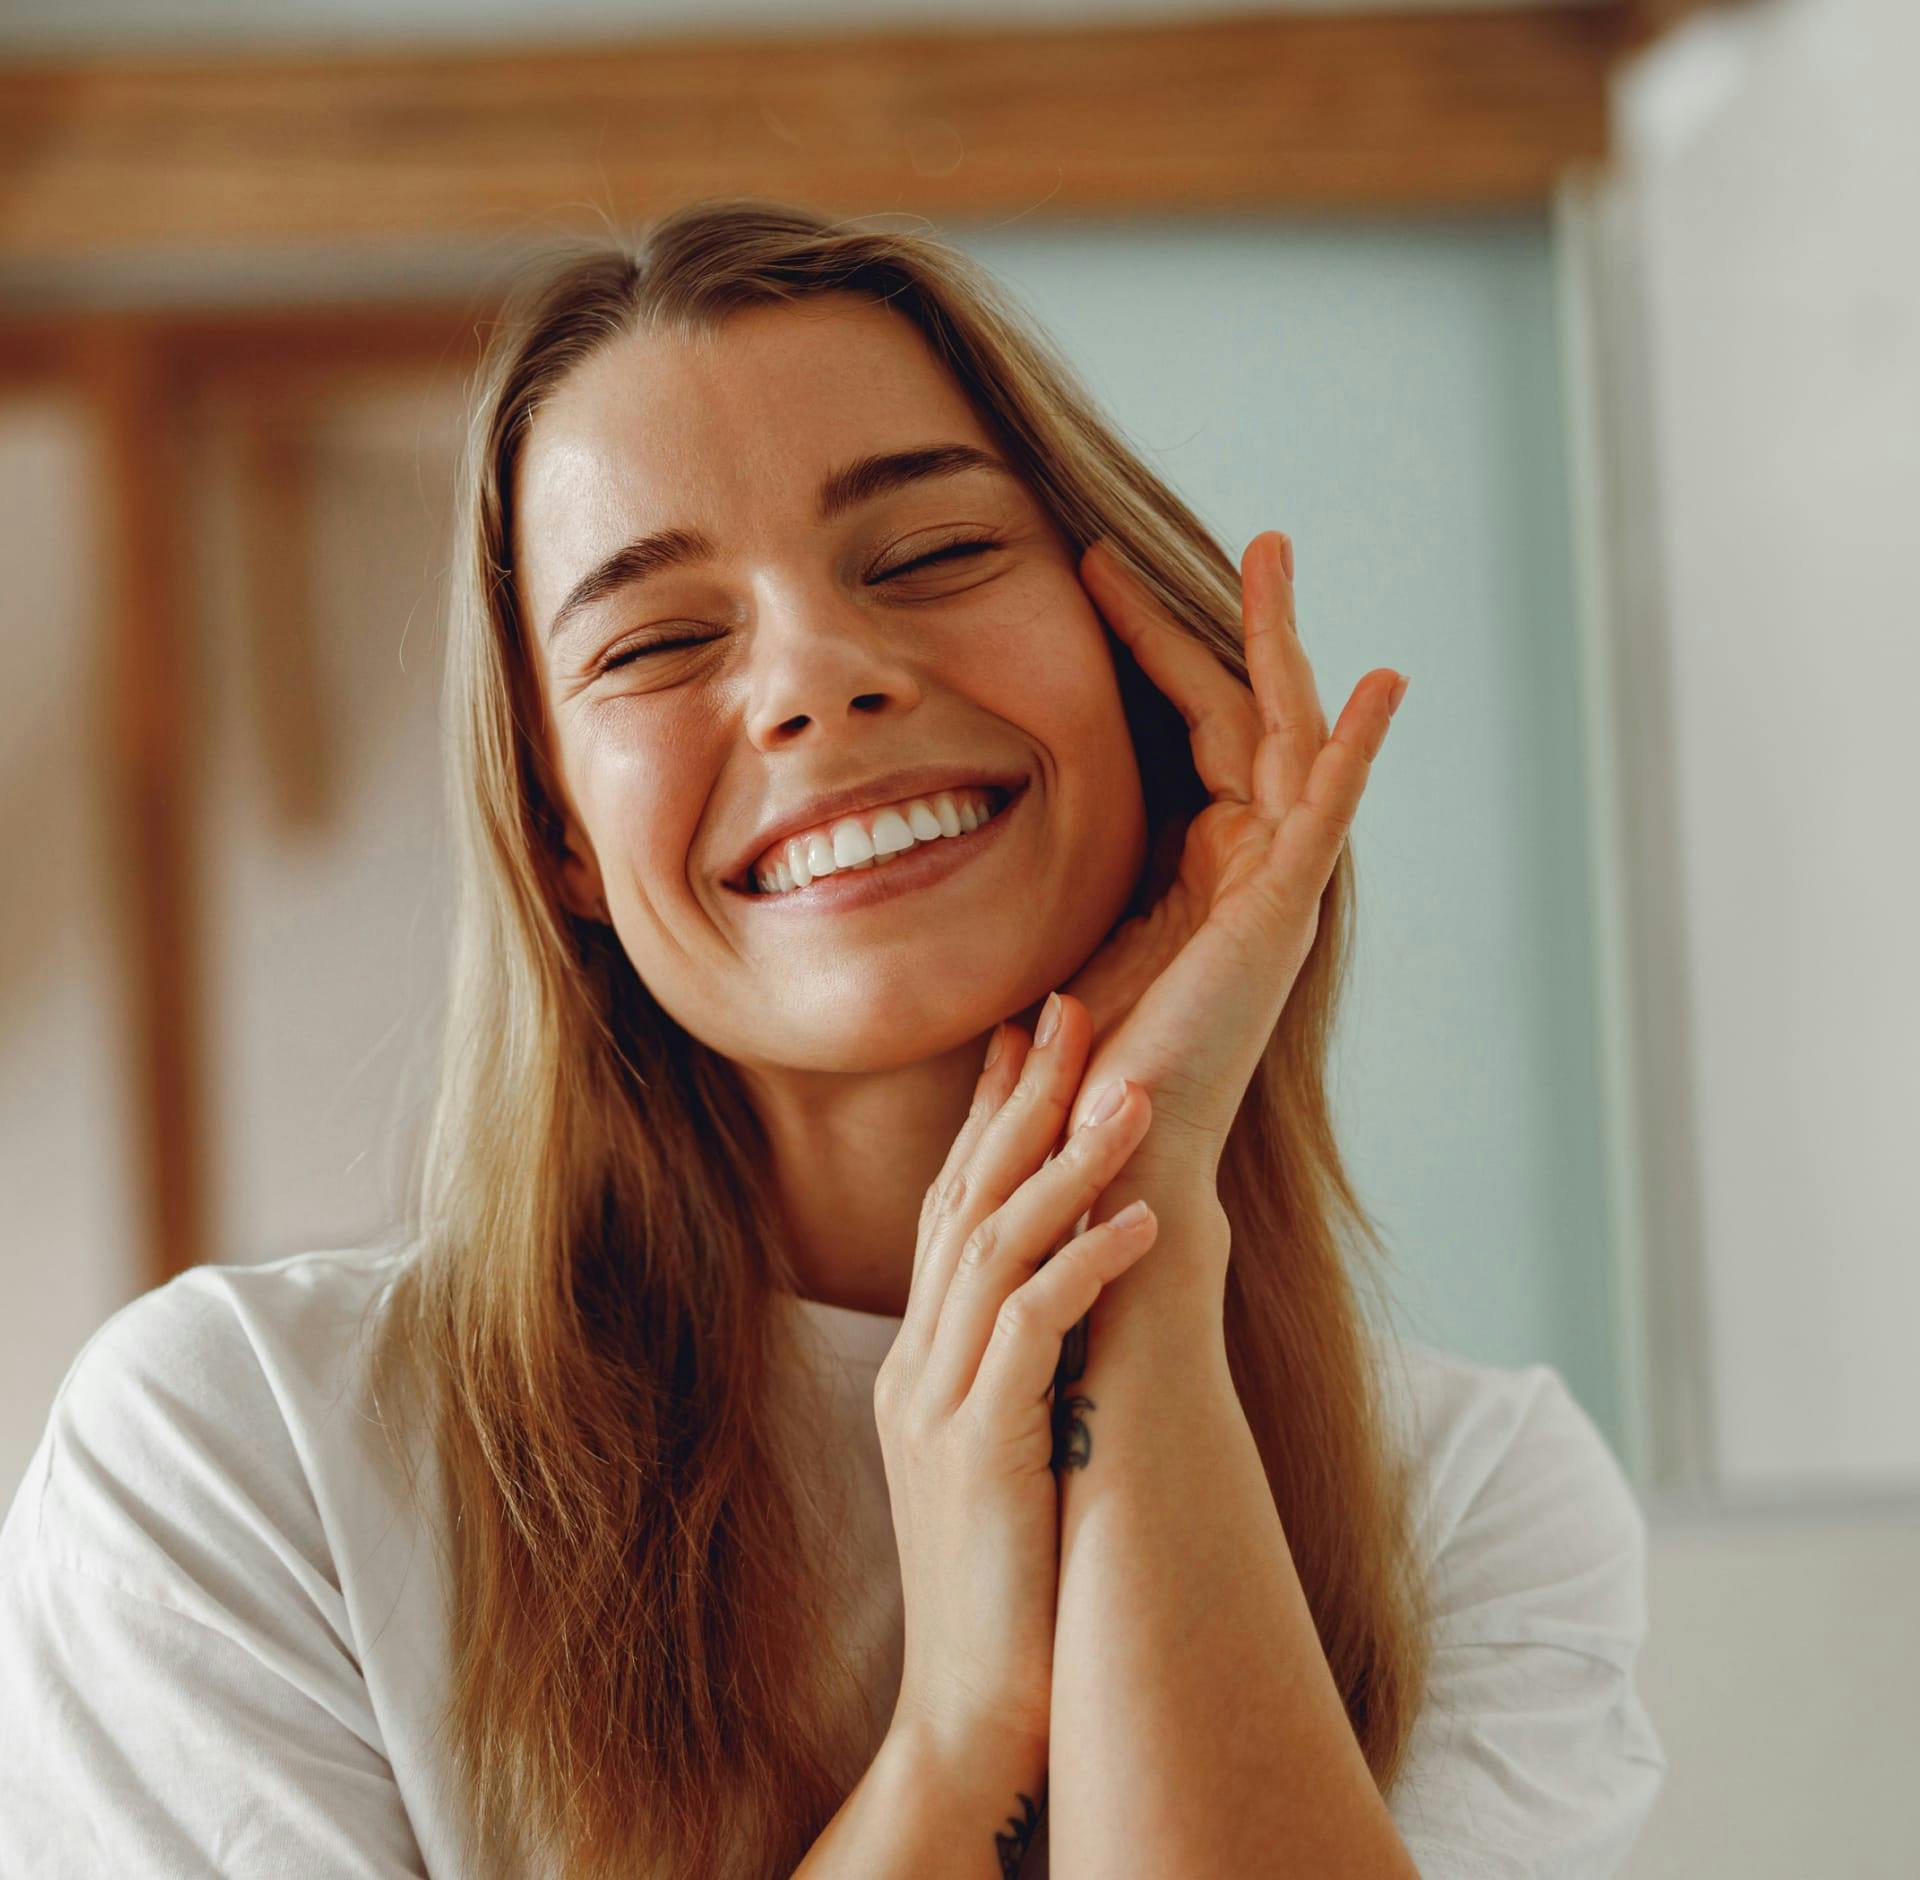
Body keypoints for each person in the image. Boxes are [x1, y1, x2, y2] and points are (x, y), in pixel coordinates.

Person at [0, 199, 1666, 1878]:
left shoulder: (1469, 1505)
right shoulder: (237, 1459)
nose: (817, 676)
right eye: (655, 643)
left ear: (1144, 668)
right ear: (563, 839)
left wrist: (1136, 1248)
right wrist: (950, 1744)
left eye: (933, 554)